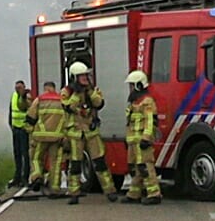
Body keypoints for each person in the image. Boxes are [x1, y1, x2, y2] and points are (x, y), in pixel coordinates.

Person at [62, 61, 118, 205]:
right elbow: (68, 107)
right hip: (75, 133)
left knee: (100, 162)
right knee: (75, 164)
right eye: (82, 76)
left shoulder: (93, 89)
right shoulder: (67, 92)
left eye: (86, 76)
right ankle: (74, 193)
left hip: (91, 132)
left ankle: (110, 191)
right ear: (74, 78)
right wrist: (76, 93)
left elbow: (99, 103)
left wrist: (89, 91)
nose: (85, 79)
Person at [123, 69, 163, 204]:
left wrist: (146, 138)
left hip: (142, 141)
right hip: (133, 142)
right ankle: (134, 194)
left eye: (131, 85)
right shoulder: (134, 103)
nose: (130, 88)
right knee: (136, 169)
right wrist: (127, 139)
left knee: (145, 167)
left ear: (139, 85)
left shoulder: (147, 102)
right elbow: (130, 123)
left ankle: (154, 194)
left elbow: (150, 121)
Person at [30, 80, 68, 195]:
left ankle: (37, 177)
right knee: (55, 163)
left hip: (40, 137)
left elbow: (30, 118)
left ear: (45, 88)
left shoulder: (39, 100)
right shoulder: (61, 100)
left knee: (36, 159)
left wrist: (30, 133)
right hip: (57, 137)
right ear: (54, 88)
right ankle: (55, 187)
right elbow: (67, 119)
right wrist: (65, 135)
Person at [9, 79, 33, 187]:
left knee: (25, 154)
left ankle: (25, 177)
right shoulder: (13, 96)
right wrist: (11, 125)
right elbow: (11, 111)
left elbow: (29, 109)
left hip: (24, 129)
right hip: (16, 129)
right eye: (16, 87)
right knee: (17, 154)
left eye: (20, 87)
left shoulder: (28, 96)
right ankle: (17, 176)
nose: (18, 89)